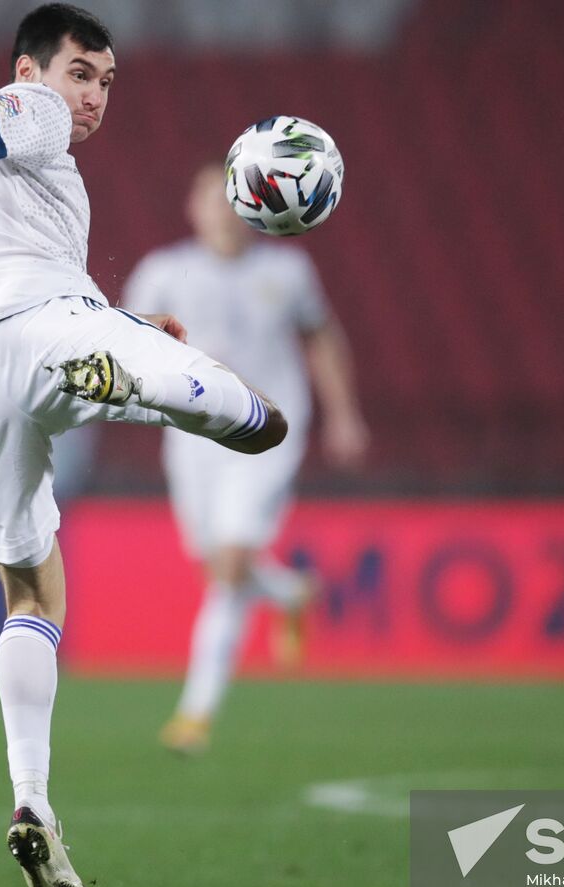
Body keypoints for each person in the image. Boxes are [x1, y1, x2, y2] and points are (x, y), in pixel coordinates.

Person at [0, 4, 287, 887]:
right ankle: (177, 388)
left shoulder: (34, 180)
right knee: (245, 416)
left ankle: (33, 800)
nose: (95, 96)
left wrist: (120, 319)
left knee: (32, 595)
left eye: (107, 82)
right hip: (37, 333)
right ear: (30, 71)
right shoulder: (31, 115)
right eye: (80, 73)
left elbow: (25, 264)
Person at [121, 162, 369, 756]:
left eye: (232, 200)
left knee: (230, 565)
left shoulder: (287, 270)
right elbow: (125, 340)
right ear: (193, 208)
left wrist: (344, 414)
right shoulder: (163, 271)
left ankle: (195, 715)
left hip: (268, 427)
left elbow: (322, 337)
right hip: (192, 433)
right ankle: (289, 594)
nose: (223, 212)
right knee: (216, 566)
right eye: (211, 199)